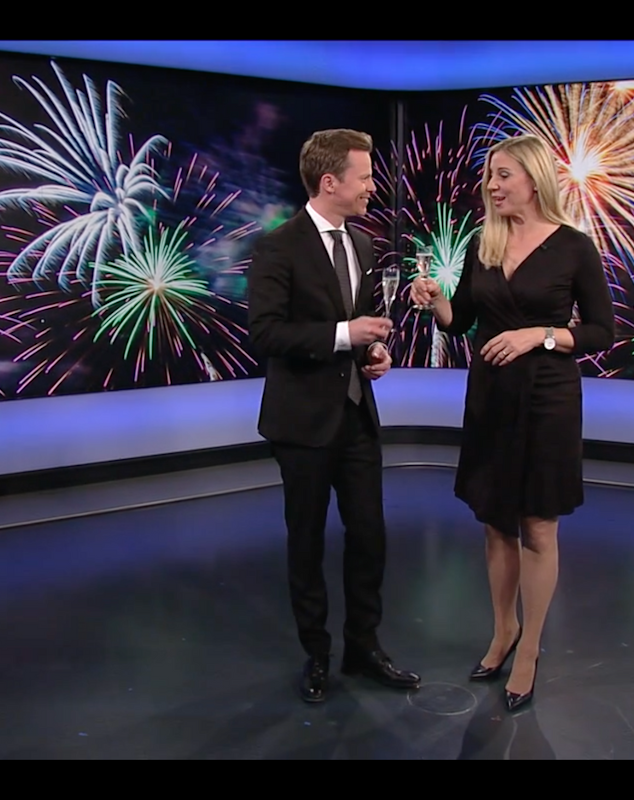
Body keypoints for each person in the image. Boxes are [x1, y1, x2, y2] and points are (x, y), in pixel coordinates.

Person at [409, 134, 615, 711]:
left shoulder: (574, 247)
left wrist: (540, 335)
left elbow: (602, 331)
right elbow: (461, 321)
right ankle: (504, 631)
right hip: (491, 398)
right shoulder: (485, 241)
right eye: (489, 176)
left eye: (503, 175)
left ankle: (530, 649)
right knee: (495, 520)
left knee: (538, 526)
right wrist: (437, 300)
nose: (492, 186)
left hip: (547, 398)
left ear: (534, 179)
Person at [248, 128, 422, 703]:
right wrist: (346, 334)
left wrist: (374, 352)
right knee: (306, 540)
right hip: (301, 424)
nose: (373, 187)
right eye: (365, 177)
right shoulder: (279, 247)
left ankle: (364, 647)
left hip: (356, 418)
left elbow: (361, 326)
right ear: (330, 182)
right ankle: (316, 654)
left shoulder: (364, 246)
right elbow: (266, 333)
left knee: (369, 535)